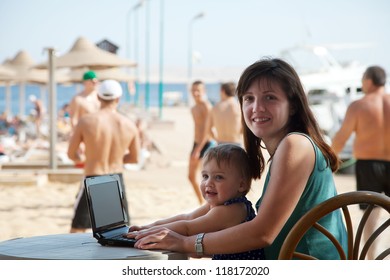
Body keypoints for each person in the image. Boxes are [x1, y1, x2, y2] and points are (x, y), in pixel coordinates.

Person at [125, 58, 348, 260]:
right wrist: (149, 229)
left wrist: (185, 243)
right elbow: (193, 218)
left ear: (293, 106)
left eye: (270, 97)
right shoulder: (288, 148)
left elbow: (263, 233)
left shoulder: (295, 145)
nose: (257, 108)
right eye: (248, 98)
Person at [129, 144, 265, 260]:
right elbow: (187, 217)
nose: (208, 183)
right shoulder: (219, 204)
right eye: (205, 176)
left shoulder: (231, 210)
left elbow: (189, 228)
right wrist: (147, 228)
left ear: (241, 185)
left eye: (219, 177)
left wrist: (149, 233)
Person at [331, 65, 390, 259]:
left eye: (363, 78)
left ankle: (372, 259)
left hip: (368, 164)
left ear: (369, 81)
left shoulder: (359, 105)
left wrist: (328, 163)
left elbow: (341, 138)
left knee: (370, 213)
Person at [67, 79, 140, 233]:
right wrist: (118, 158)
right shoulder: (128, 124)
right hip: (116, 178)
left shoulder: (86, 121)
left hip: (94, 176)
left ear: (99, 98)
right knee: (119, 233)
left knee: (77, 229)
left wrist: (85, 159)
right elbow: (135, 158)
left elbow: (71, 154)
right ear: (118, 99)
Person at [188, 80, 216, 205]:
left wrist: (198, 149)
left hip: (206, 144)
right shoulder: (193, 108)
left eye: (198, 90)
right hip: (196, 143)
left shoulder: (207, 106)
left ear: (203, 91)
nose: (195, 93)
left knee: (205, 178)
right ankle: (202, 203)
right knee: (190, 176)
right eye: (193, 90)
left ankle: (207, 205)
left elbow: (207, 130)